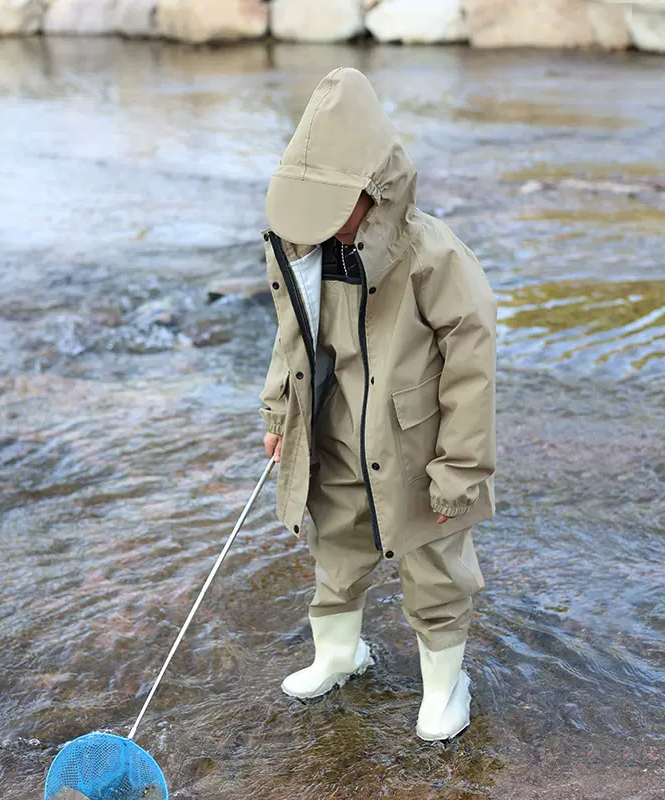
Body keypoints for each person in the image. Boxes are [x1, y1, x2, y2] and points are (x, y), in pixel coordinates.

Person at [258, 68, 497, 742]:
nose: (326, 226)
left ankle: (446, 686)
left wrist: (461, 467)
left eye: (336, 207)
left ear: (375, 190)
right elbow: (293, 341)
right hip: (337, 434)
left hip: (416, 448)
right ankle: (339, 653)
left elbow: (473, 372)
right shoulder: (305, 253)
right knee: (333, 545)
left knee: (434, 565)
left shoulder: (435, 260)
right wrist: (280, 413)